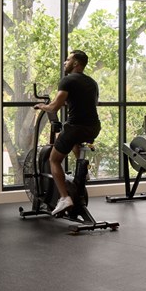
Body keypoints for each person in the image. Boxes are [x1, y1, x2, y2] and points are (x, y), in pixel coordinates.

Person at [33, 50, 100, 216]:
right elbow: (88, 103)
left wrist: (42, 106)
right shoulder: (92, 82)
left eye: (68, 60)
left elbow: (54, 106)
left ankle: (64, 198)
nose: (65, 62)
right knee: (74, 141)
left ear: (76, 63)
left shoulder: (67, 80)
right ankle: (83, 170)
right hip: (93, 127)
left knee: (54, 160)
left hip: (76, 127)